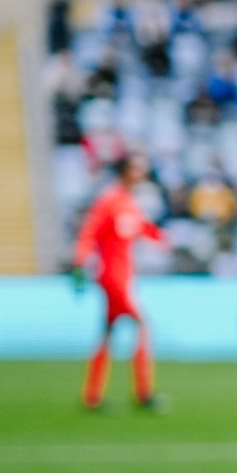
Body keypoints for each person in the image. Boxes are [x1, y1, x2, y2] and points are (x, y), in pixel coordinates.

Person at [72, 155, 167, 411]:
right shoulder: (110, 201)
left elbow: (140, 228)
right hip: (112, 277)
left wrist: (161, 237)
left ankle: (92, 395)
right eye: (137, 169)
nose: (141, 174)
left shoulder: (128, 201)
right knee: (142, 325)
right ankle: (143, 393)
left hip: (123, 276)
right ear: (125, 172)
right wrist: (79, 262)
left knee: (107, 333)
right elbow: (89, 232)